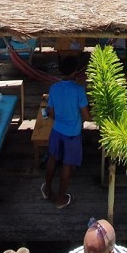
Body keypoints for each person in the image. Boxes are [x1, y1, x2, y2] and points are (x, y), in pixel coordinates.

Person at [42, 55, 90, 210]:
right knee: (67, 165)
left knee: (52, 159)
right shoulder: (79, 90)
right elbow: (86, 116)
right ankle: (61, 198)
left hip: (57, 130)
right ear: (75, 71)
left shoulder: (54, 88)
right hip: (72, 133)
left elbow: (51, 113)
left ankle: (47, 190)